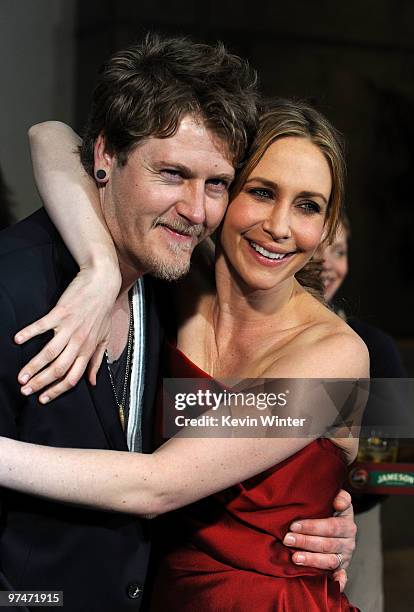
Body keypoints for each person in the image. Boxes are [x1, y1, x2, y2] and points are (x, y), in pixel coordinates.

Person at [0, 99, 367, 610]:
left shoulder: (342, 353)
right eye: (261, 193)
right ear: (223, 192)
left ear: (327, 226)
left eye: (309, 205)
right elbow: (48, 133)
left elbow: (159, 486)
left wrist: (348, 513)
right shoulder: (180, 290)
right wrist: (99, 263)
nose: (281, 226)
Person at [0, 32, 261, 612]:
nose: (197, 211)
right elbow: (46, 132)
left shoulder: (183, 294)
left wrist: (329, 505)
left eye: (217, 183)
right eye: (171, 173)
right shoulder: (12, 289)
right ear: (103, 158)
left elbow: (381, 456)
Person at [318, 215, 408, 612]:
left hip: (353, 524)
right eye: (319, 249)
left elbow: (395, 466)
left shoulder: (375, 347)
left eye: (339, 252)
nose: (328, 265)